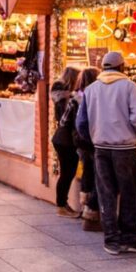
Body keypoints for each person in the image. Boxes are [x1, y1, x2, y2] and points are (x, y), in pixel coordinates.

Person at [76, 51, 136, 255]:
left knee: (106, 193)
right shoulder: (129, 87)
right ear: (122, 67)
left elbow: (81, 122)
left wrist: (94, 138)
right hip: (124, 148)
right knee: (129, 193)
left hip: (101, 148)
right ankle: (130, 238)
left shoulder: (90, 90)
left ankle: (111, 240)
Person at [64, 67, 102, 232]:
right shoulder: (95, 96)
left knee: (88, 171)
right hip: (93, 140)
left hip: (80, 141)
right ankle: (91, 212)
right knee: (97, 175)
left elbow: (65, 121)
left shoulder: (75, 97)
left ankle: (85, 204)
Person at [50, 66, 81, 218]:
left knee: (67, 173)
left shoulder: (62, 97)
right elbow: (67, 119)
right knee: (67, 173)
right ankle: (61, 205)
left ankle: (62, 204)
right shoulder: (69, 98)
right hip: (66, 139)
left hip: (62, 138)